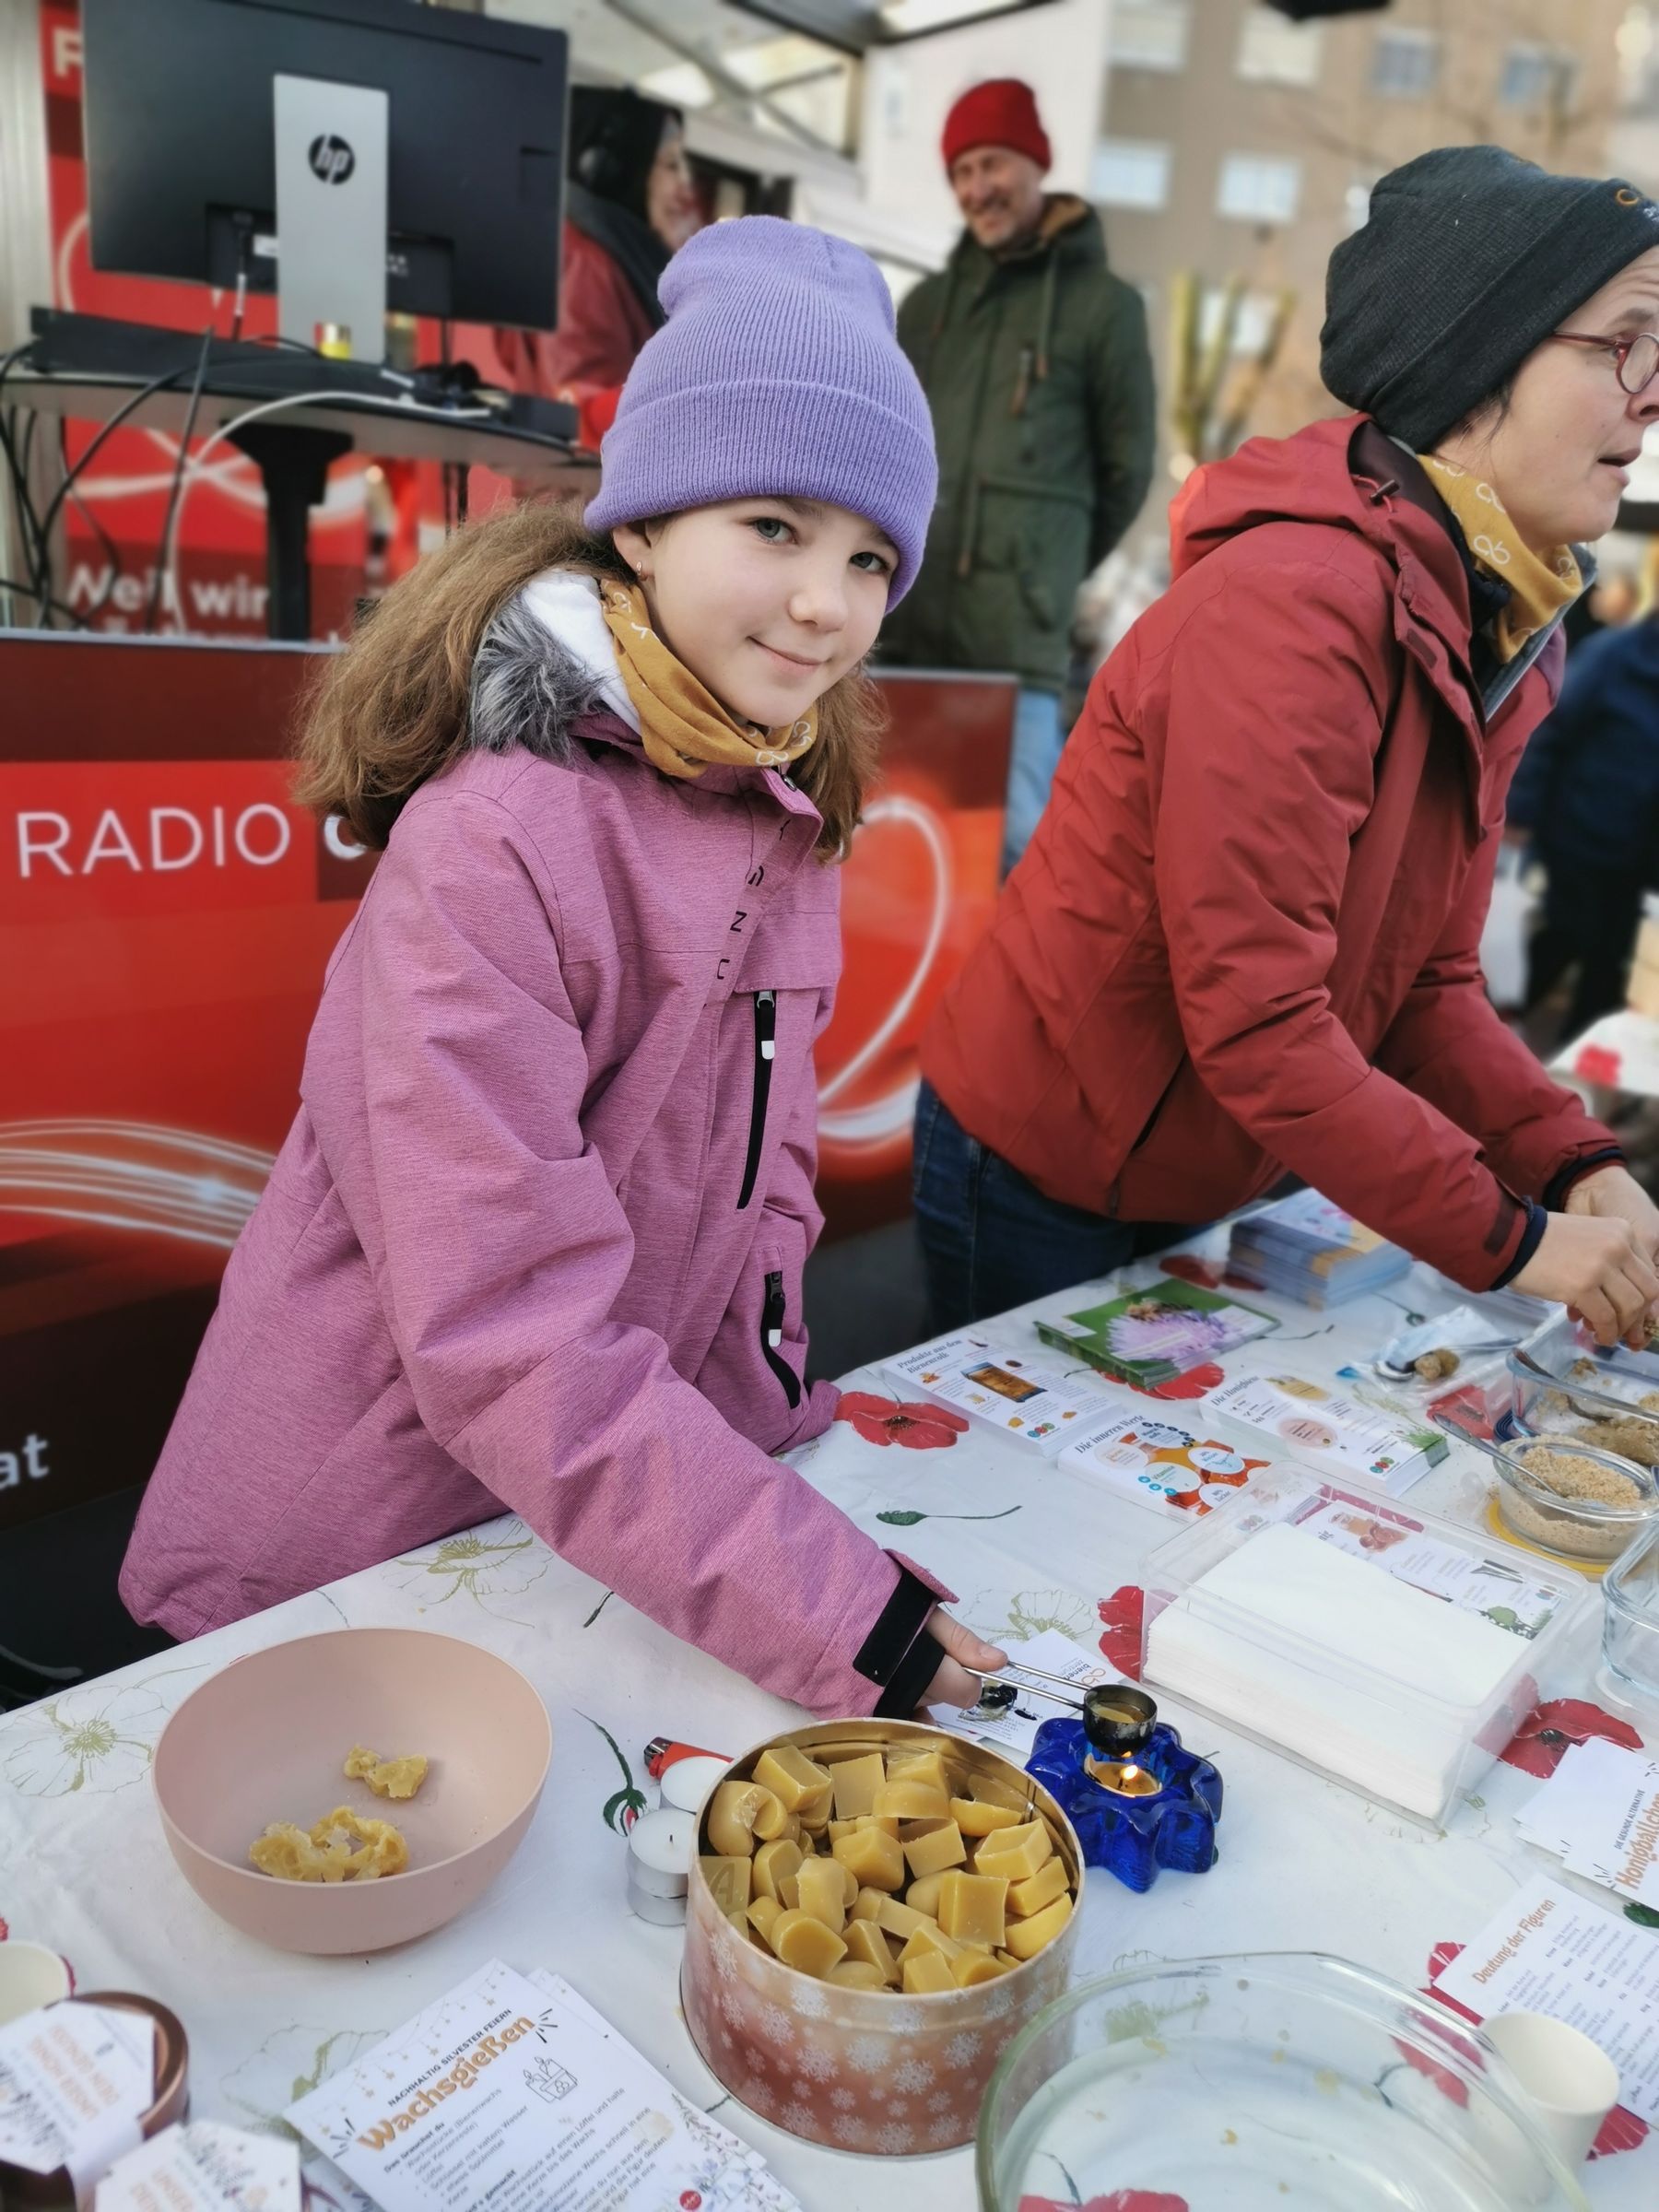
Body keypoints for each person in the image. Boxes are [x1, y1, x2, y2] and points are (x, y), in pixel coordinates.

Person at [121, 218, 1007, 1720]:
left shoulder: (778, 802)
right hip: (361, 1555)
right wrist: (825, 1600)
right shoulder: (498, 839)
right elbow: (504, 1321)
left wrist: (769, 1443)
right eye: (776, 527)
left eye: (871, 558)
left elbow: (763, 1193)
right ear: (645, 525)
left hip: (581, 1534)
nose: (827, 602)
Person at [912, 147, 1659, 1349]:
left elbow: (1429, 984)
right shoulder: (1296, 607)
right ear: (1476, 369)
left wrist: (1575, 1162)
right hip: (1054, 1166)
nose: (1652, 392)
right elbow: (1259, 1018)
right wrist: (1515, 1239)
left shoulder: (1507, 621)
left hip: (1224, 1155)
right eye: (1623, 342)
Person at [878, 77, 1156, 872]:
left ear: (1037, 163)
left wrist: (1047, 568)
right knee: (891, 850)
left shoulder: (1106, 308)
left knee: (1014, 857)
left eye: (993, 164)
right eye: (962, 173)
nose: (978, 189)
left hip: (1016, 651)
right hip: (904, 632)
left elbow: (1128, 470)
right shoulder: (925, 307)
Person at [1509, 594, 1659, 1034]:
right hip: (1579, 839)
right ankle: (1489, 1026)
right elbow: (1549, 732)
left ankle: (1576, 1063)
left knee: (1609, 971)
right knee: (1562, 938)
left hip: (1641, 864)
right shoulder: (1614, 654)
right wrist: (1519, 815)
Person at [495, 86, 700, 406]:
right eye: (672, 165)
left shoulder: (603, 256)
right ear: (617, 173)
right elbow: (589, 405)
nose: (685, 185)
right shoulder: (586, 263)